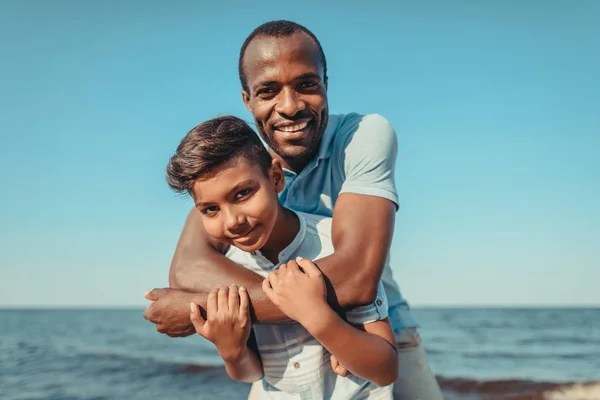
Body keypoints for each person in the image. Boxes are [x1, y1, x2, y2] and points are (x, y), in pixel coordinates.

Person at [144, 20, 444, 399]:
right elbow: (188, 268)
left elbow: (356, 278)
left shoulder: (363, 136)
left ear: (325, 84)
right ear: (247, 100)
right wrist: (231, 334)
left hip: (377, 335)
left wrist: (201, 305)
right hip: (282, 360)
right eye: (268, 91)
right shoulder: (240, 169)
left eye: (306, 84)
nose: (289, 106)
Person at [167, 115, 398, 398]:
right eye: (210, 210)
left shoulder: (334, 249)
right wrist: (231, 350)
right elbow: (252, 374)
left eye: (242, 194)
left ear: (275, 177)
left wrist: (318, 317)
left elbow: (385, 369)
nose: (232, 221)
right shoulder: (228, 270)